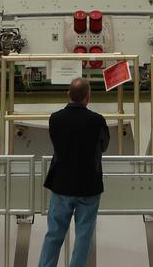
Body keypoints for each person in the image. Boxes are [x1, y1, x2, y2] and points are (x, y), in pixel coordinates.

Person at [38, 78, 109, 267]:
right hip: (89, 186)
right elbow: (104, 145)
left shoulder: (55, 118)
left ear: (68, 94)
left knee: (54, 234)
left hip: (61, 184)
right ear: (88, 97)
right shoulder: (97, 120)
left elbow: (57, 143)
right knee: (84, 236)